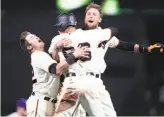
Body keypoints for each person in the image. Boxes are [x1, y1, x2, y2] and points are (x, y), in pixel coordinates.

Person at [49, 11, 163, 117]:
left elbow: (54, 62)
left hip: (72, 83)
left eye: (94, 14)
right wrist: (146, 49)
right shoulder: (97, 34)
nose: (91, 16)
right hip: (92, 83)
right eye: (89, 14)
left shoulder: (58, 39)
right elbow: (116, 34)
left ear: (60, 25)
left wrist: (56, 47)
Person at [19, 31, 89, 117]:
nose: (36, 37)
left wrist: (56, 47)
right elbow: (58, 69)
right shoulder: (38, 55)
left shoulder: (43, 56)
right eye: (32, 38)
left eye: (35, 35)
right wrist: (75, 55)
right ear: (29, 47)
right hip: (40, 103)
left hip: (48, 103)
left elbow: (56, 67)